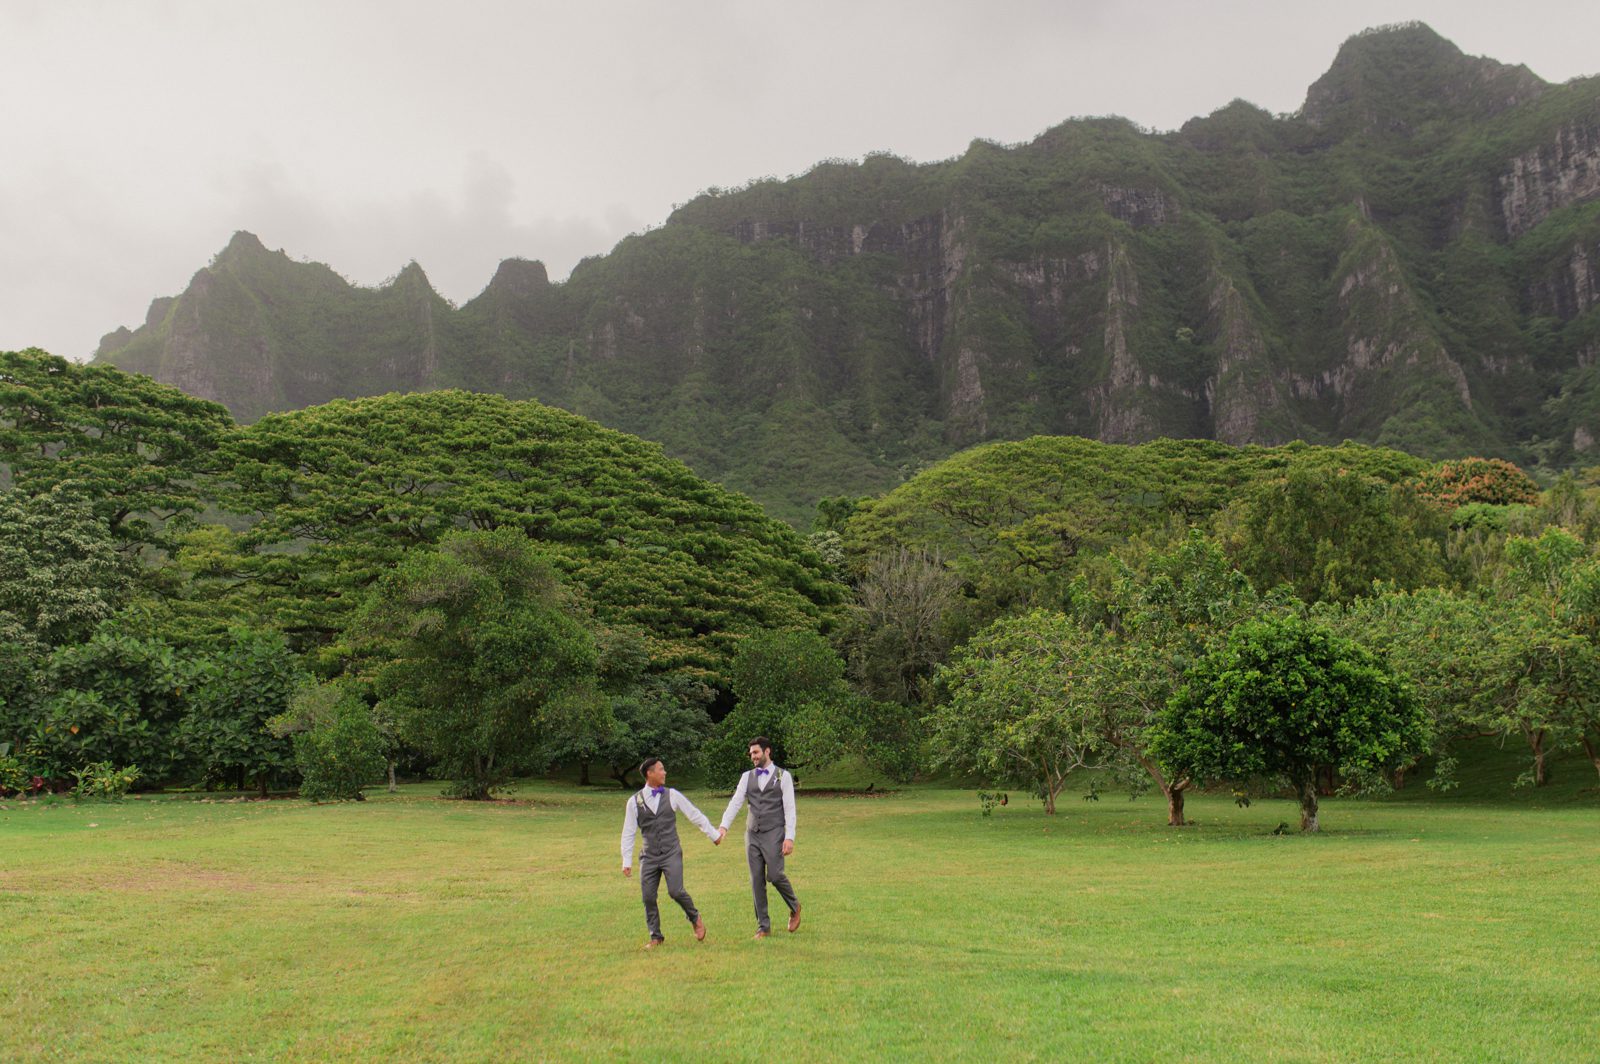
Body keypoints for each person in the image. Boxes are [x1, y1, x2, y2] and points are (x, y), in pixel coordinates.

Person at [620, 756, 722, 949]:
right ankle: (655, 937)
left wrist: (713, 834)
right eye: (661, 769)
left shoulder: (673, 795)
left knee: (675, 891)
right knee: (648, 897)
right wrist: (626, 861)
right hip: (649, 856)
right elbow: (628, 832)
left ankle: (694, 917)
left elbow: (694, 814)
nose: (664, 772)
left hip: (671, 852)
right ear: (650, 774)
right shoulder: (633, 802)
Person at [717, 736, 801, 939]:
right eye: (751, 753)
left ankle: (795, 905)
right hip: (752, 833)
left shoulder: (783, 776)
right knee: (756, 880)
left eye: (755, 752)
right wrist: (723, 826)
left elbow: (790, 809)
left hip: (774, 832)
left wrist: (789, 837)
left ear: (767, 751)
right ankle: (763, 926)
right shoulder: (747, 777)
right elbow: (736, 802)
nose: (752, 756)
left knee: (774, 875)